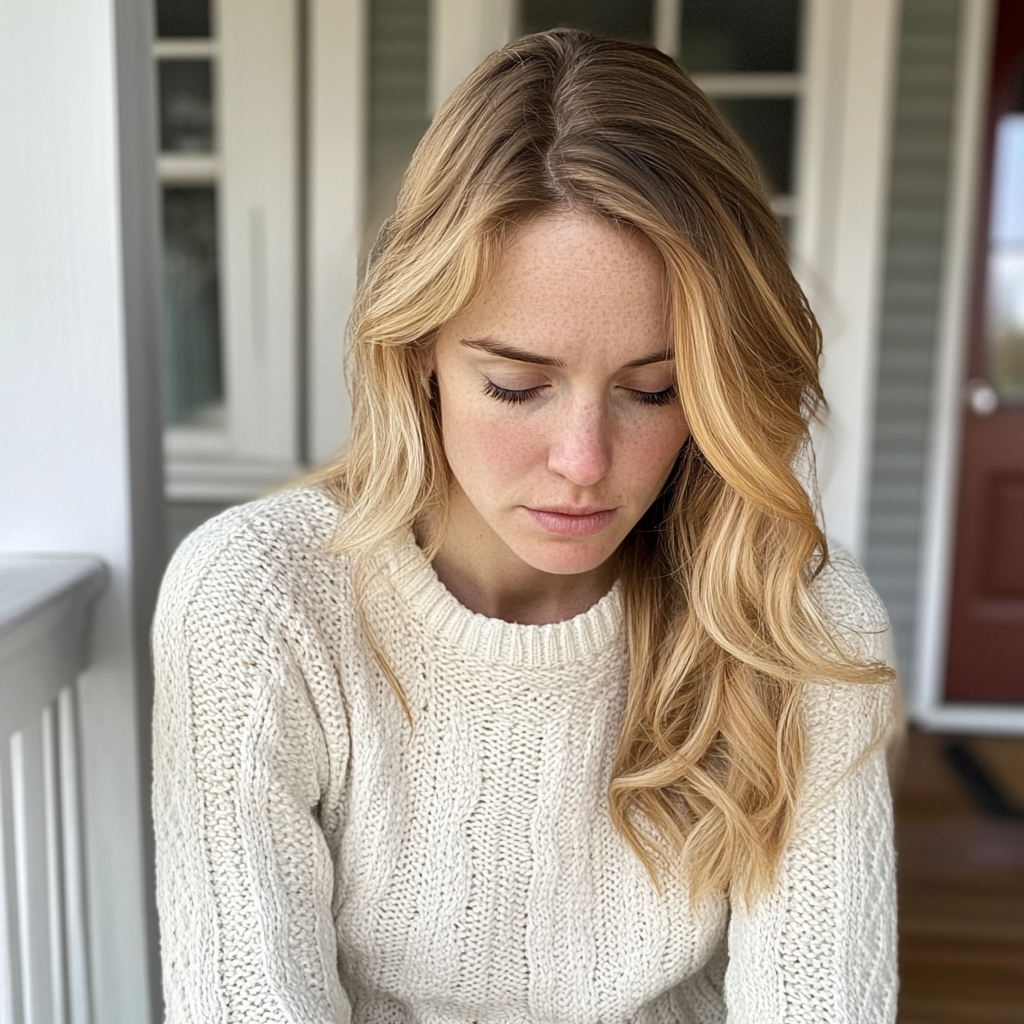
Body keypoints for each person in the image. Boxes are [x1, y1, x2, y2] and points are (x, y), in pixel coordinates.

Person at [152, 28, 899, 1024]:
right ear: (416, 350)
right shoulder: (258, 601)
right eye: (515, 384)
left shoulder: (795, 617)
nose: (584, 461)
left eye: (653, 389)